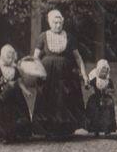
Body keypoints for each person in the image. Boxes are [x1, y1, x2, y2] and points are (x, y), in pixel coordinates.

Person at [32, 9, 88, 138]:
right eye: (55, 22)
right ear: (50, 23)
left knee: (64, 99)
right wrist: (36, 73)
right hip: (47, 75)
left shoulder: (69, 37)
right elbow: (35, 57)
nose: (58, 25)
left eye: (60, 23)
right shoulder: (43, 36)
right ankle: (47, 129)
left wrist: (84, 74)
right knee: (48, 99)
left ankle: (64, 129)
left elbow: (78, 57)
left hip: (65, 75)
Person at [0, 44, 20, 143]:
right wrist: (1, 82)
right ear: (2, 57)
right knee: (1, 114)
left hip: (13, 95)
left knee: (12, 113)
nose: (10, 59)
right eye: (8, 57)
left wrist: (24, 90)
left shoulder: (15, 69)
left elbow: (19, 81)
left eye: (12, 57)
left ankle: (12, 134)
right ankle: (2, 135)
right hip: (1, 95)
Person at [85, 60, 117, 136]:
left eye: (105, 72)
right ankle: (96, 129)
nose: (104, 74)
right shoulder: (95, 79)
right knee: (95, 113)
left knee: (107, 113)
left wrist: (108, 90)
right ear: (98, 71)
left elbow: (113, 89)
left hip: (106, 99)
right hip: (96, 98)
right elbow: (89, 86)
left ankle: (107, 129)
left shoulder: (108, 80)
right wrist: (87, 85)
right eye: (102, 72)